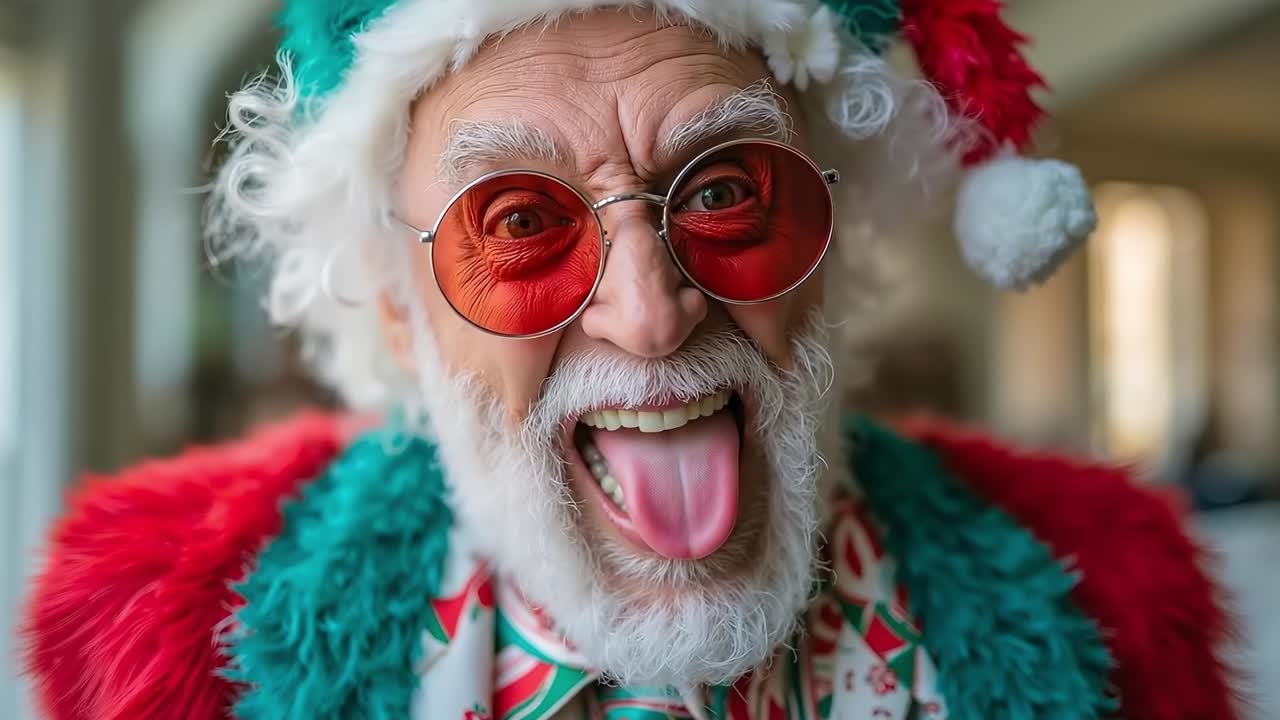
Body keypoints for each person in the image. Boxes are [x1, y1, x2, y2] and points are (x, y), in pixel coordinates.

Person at [22, 2, 1241, 719]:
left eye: (722, 189)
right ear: (399, 310)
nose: (649, 315)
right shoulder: (169, 648)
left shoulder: (1114, 611)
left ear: (830, 243)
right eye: (515, 222)